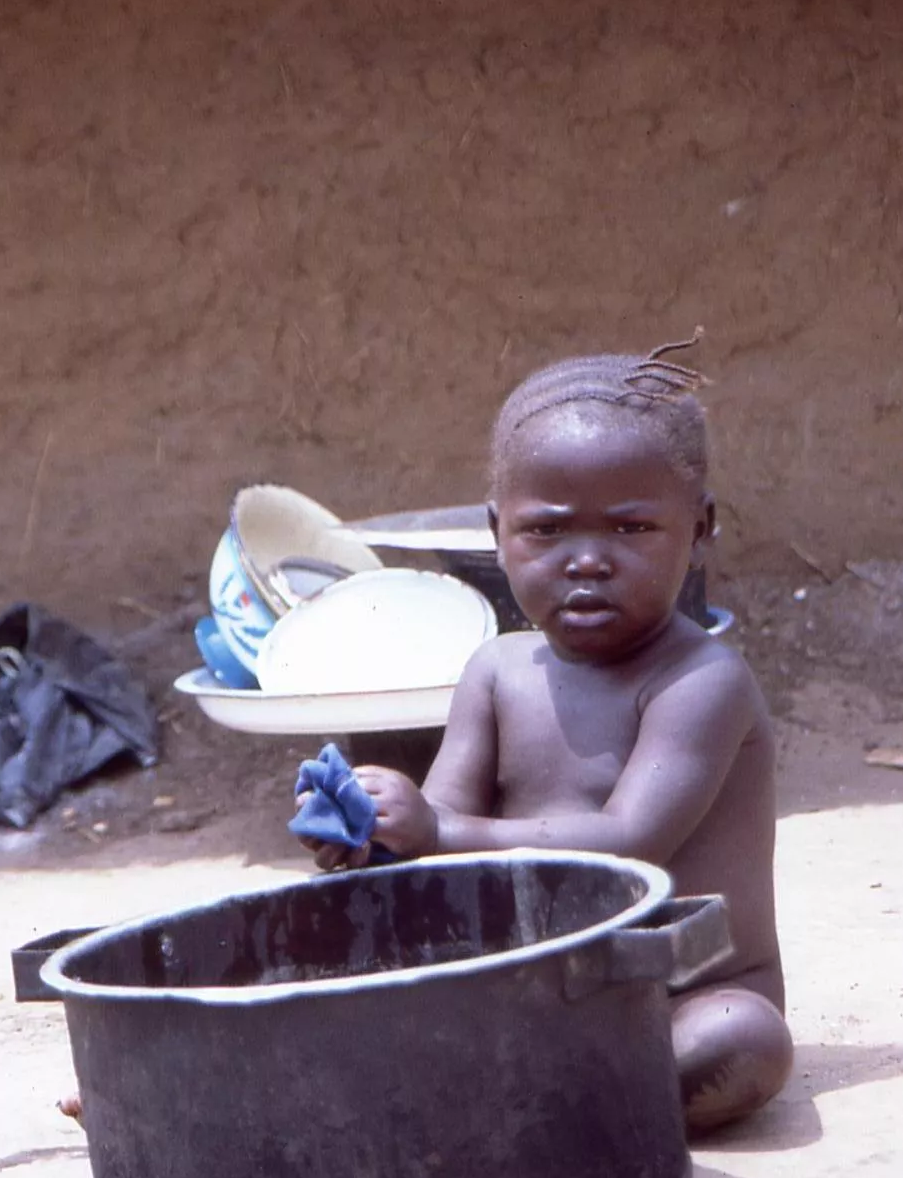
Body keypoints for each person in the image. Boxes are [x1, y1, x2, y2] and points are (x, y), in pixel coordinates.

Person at [300, 342, 792, 1134]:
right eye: (547, 531)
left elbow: (628, 841)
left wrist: (441, 829)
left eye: (633, 527)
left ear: (699, 530)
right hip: (524, 986)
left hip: (676, 991)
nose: (589, 560)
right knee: (324, 965)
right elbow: (441, 845)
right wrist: (373, 836)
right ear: (497, 533)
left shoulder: (702, 681)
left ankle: (497, 1098)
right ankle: (183, 1094)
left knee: (742, 1039)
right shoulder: (495, 671)